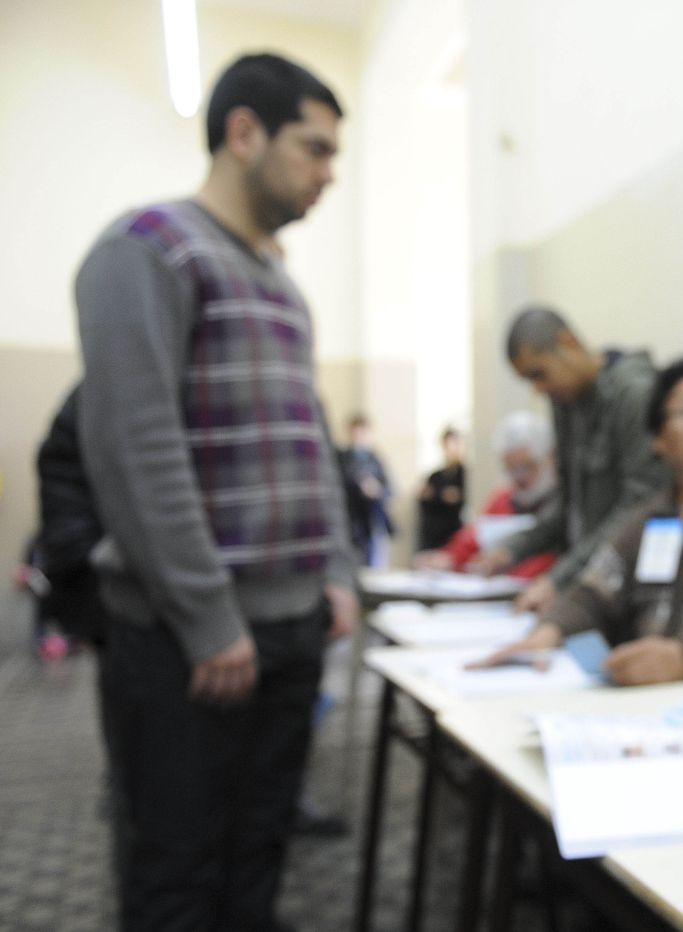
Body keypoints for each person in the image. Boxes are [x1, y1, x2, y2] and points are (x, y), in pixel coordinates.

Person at [73, 52, 358, 931]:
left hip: (288, 628)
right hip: (186, 642)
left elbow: (307, 440)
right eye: (313, 149)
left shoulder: (282, 283)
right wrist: (208, 616)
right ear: (244, 134)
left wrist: (337, 569)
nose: (328, 174)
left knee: (258, 856)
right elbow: (136, 448)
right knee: (178, 874)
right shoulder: (147, 249)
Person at [482, 357, 683, 698]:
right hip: (648, 708)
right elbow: (594, 590)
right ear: (659, 440)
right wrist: (549, 632)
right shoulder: (653, 515)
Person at [473, 306, 671, 613]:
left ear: (568, 343)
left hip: (632, 590)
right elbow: (569, 504)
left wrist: (559, 579)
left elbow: (641, 506)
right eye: (529, 381)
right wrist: (512, 549)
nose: (538, 389)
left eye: (538, 373)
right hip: (588, 584)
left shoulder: (633, 393)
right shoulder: (565, 401)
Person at [414, 411, 559, 579]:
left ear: (549, 459)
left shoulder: (564, 503)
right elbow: (471, 539)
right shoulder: (503, 499)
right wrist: (448, 558)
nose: (519, 478)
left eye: (526, 467)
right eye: (511, 469)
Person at [339, 413, 395, 566]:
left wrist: (376, 489)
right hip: (350, 520)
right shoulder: (341, 457)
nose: (358, 436)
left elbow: (390, 489)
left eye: (362, 432)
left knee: (374, 565)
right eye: (355, 432)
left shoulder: (375, 458)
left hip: (371, 522)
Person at [416, 426, 468, 551]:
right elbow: (425, 497)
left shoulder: (465, 474)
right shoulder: (435, 476)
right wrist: (443, 495)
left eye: (454, 443)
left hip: (454, 533)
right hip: (434, 536)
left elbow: (456, 498)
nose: (451, 449)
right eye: (447, 444)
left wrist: (437, 495)